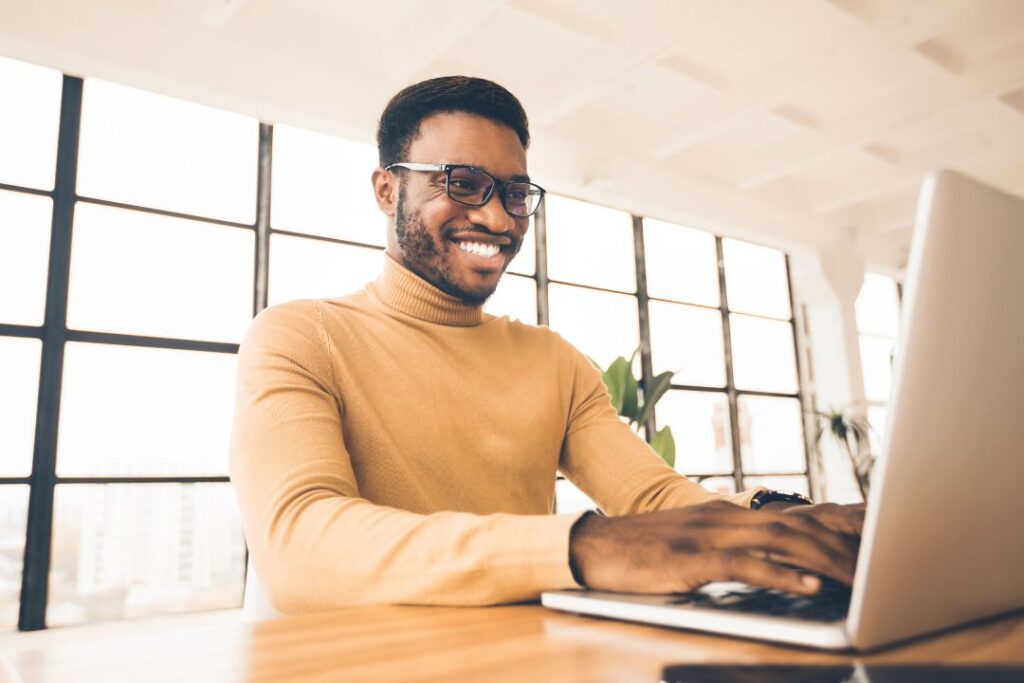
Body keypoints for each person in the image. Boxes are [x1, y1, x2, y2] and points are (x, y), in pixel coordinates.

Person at [228, 76, 864, 614]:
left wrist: (785, 518)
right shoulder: (300, 335)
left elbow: (654, 499)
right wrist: (584, 546)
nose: (500, 219)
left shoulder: (552, 361)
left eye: (514, 192)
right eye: (462, 182)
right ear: (388, 190)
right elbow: (297, 540)